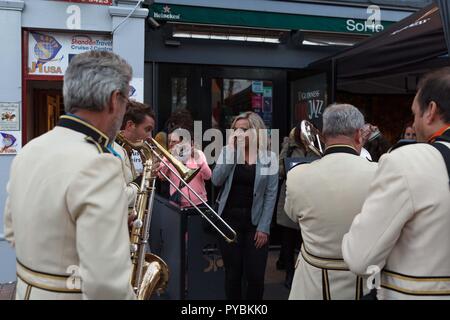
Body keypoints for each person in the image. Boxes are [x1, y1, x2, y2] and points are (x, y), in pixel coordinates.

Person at [3, 51, 136, 300]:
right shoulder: (99, 163)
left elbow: (12, 232)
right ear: (113, 100)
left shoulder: (30, 149)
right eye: (126, 101)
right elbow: (106, 286)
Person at [342, 68, 450, 300]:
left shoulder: (406, 160)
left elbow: (360, 258)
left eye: (414, 114)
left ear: (430, 111)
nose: (414, 123)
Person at [285, 104, 377, 300]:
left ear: (324, 135)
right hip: (363, 285)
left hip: (312, 284)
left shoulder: (297, 175)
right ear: (359, 135)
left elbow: (292, 215)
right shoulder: (380, 173)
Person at [212, 111, 278, 300]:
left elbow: (271, 194)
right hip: (229, 221)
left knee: (255, 276)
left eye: (244, 129)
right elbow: (216, 180)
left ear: (256, 131)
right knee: (233, 275)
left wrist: (264, 227)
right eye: (236, 129)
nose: (239, 133)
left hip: (255, 223)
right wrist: (232, 150)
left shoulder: (268, 157)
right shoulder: (228, 151)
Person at [275, 125, 309, 289]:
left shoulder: (317, 146)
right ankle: (289, 272)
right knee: (288, 237)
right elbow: (279, 170)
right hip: (290, 195)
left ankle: (305, 272)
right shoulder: (289, 146)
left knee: (306, 238)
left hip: (310, 197)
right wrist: (289, 167)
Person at [114, 100, 156, 210]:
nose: (150, 137)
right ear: (130, 125)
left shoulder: (128, 150)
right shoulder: (114, 152)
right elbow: (121, 197)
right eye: (147, 129)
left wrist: (146, 170)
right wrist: (144, 177)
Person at [158, 127, 211, 208]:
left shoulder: (198, 154)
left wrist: (198, 158)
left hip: (199, 202)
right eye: (169, 141)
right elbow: (161, 176)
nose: (170, 144)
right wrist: (168, 158)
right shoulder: (168, 157)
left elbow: (208, 176)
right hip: (177, 203)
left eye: (174, 141)